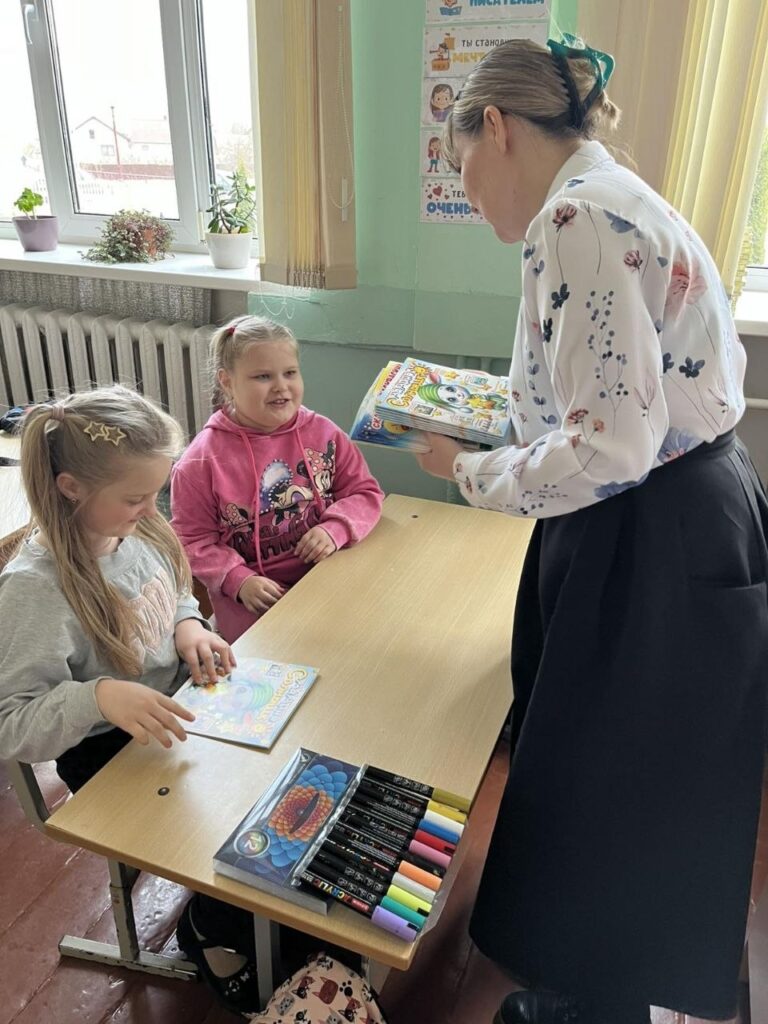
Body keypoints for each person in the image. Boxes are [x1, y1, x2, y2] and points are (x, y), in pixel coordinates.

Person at [415, 34, 768, 1024]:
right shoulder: (620, 198)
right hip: (695, 508)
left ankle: (595, 1002)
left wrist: (469, 470)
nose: (468, 193)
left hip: (647, 532)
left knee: (606, 779)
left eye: (461, 165)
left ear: (496, 127)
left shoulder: (574, 217)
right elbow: (606, 399)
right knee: (649, 774)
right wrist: (495, 422)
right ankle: (603, 990)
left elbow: (609, 449)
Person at [0, 386, 263, 1016]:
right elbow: (13, 725)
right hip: (104, 751)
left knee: (268, 796)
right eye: (136, 497)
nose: (151, 510)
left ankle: (238, 913)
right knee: (235, 837)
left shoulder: (132, 530)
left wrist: (188, 624)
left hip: (175, 711)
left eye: (156, 493)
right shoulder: (34, 589)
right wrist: (97, 696)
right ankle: (209, 926)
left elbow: (170, 591)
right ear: (70, 488)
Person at [171, 315, 384, 643]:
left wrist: (336, 528)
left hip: (330, 573)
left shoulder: (325, 433)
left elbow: (365, 492)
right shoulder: (199, 463)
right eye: (262, 376)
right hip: (257, 600)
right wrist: (238, 580)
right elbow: (192, 541)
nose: (281, 386)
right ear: (227, 381)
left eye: (290, 373)